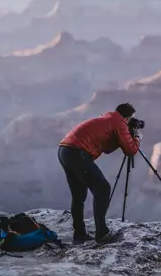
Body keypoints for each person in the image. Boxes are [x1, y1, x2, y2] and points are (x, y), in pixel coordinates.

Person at [58, 102, 141, 244]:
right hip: (78, 152)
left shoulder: (107, 119)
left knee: (79, 195)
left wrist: (122, 136)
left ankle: (79, 235)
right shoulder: (119, 122)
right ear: (127, 118)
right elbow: (130, 150)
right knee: (103, 189)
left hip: (64, 150)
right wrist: (137, 138)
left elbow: (107, 149)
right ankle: (102, 234)